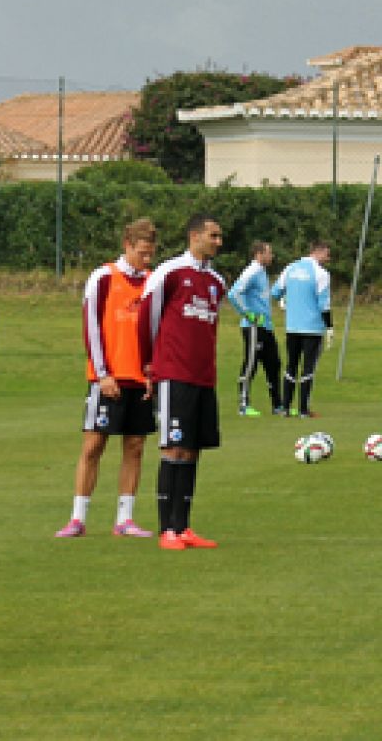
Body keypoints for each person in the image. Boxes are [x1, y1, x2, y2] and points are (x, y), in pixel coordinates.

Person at [55, 218, 159, 539]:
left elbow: (158, 331)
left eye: (151, 253)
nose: (147, 258)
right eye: (142, 252)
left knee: (136, 446)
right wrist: (102, 374)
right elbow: (92, 328)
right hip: (108, 379)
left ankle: (124, 519)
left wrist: (153, 372)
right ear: (127, 244)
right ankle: (77, 518)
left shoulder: (154, 281)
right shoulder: (103, 278)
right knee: (93, 445)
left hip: (141, 380)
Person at [139, 214, 226, 551]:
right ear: (194, 236)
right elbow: (147, 320)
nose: (218, 242)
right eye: (213, 235)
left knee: (192, 450)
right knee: (173, 447)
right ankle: (167, 529)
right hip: (173, 374)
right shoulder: (169, 273)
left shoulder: (217, 282)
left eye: (219, 236)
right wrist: (150, 366)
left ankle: (184, 525)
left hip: (203, 376)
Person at [271, 240, 331, 418]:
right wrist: (330, 326)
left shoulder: (290, 268)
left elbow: (275, 292)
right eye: (327, 253)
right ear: (317, 252)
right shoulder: (321, 273)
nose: (329, 257)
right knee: (308, 368)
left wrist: (284, 301)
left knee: (291, 366)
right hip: (312, 328)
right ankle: (303, 409)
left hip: (292, 327)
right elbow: (324, 305)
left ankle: (286, 408)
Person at [229, 241, 281, 417]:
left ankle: (277, 405)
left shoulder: (262, 272)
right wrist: (247, 313)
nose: (271, 256)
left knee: (274, 363)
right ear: (259, 254)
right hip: (253, 326)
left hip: (266, 326)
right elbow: (234, 293)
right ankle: (243, 405)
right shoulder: (252, 271)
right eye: (269, 253)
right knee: (251, 364)